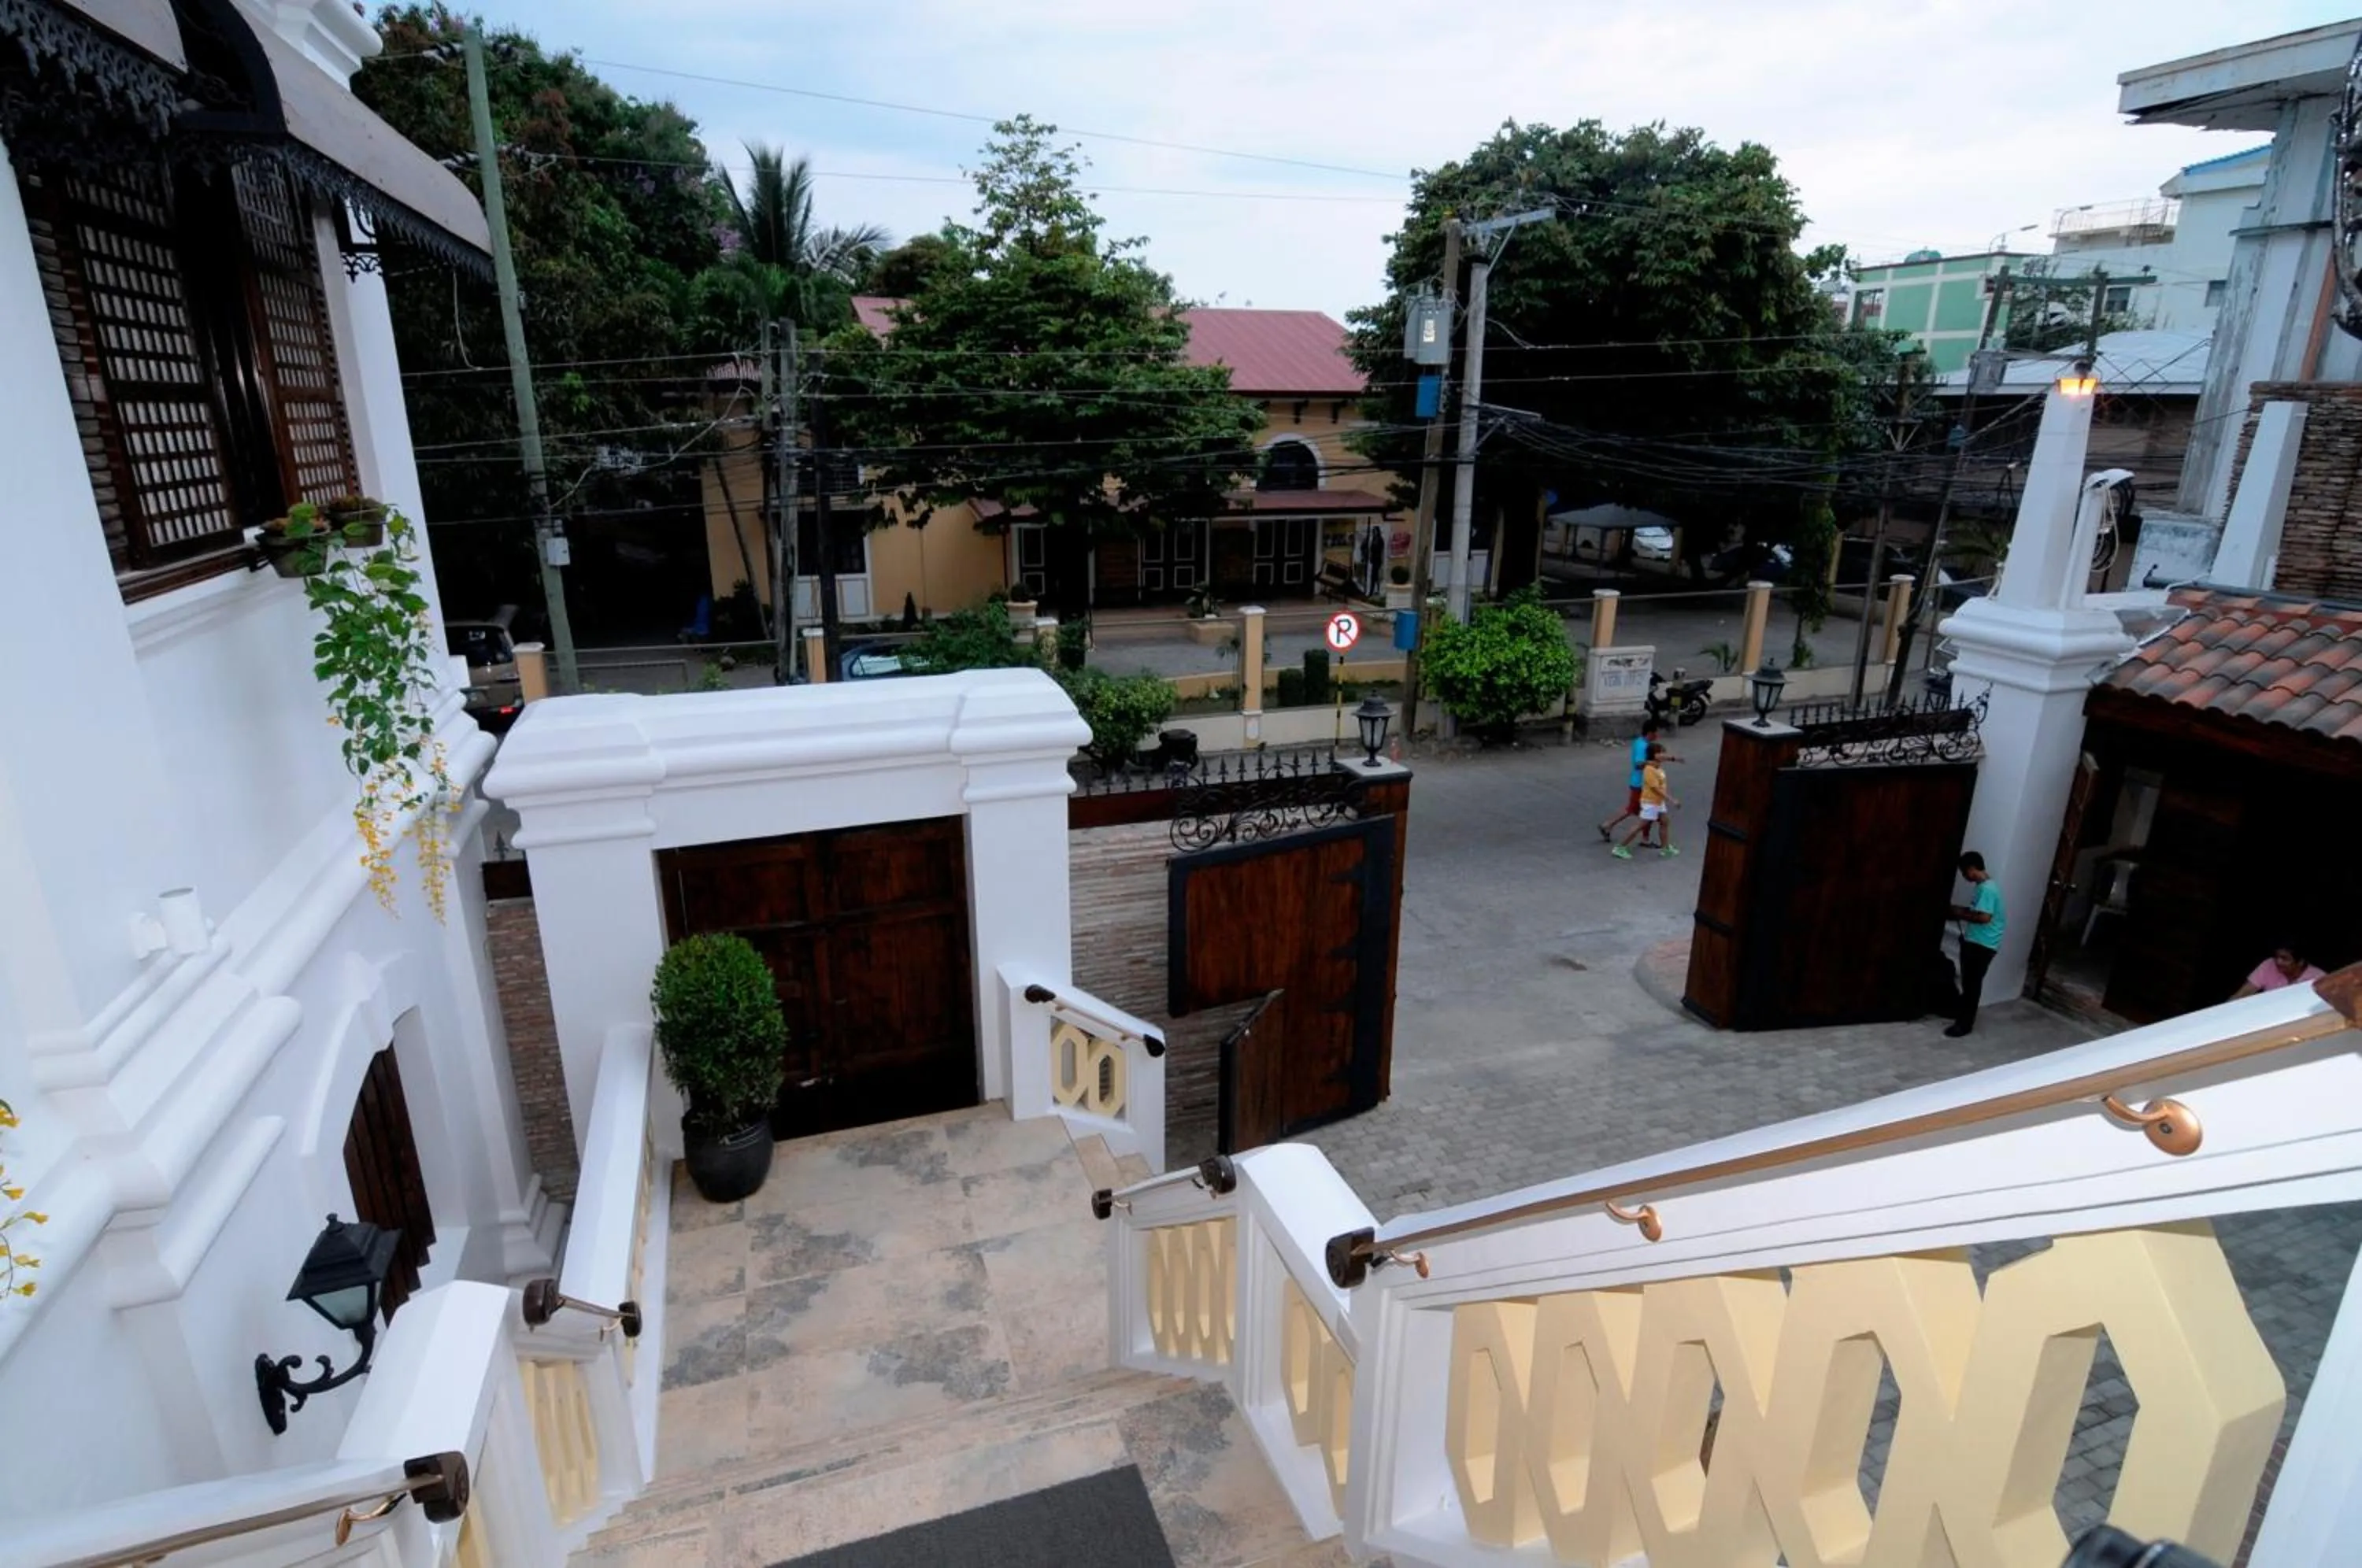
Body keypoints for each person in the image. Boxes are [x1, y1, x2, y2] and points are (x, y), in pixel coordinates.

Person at [1945, 851, 2004, 1037]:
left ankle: (1964, 1024)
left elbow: (1984, 917)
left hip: (1982, 945)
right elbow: (1979, 911)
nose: (1964, 877)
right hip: (1980, 942)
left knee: (1972, 985)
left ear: (1971, 869)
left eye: (1964, 872)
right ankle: (1963, 1016)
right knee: (1970, 983)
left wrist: (1960, 914)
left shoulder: (1986, 889)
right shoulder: (1986, 887)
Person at [1599, 721, 1678, 842]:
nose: (1658, 735)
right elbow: (1638, 764)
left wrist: (1672, 759)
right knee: (1643, 811)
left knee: (1638, 810)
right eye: (1656, 732)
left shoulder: (1640, 742)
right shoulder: (1643, 746)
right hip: (1641, 784)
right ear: (1650, 733)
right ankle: (1612, 828)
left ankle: (1610, 826)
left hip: (1639, 783)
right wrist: (1652, 764)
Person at [1612, 744, 1679, 860]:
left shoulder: (1657, 766)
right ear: (1655, 755)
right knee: (1641, 825)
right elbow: (1655, 789)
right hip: (1651, 802)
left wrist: (1676, 759)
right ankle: (1620, 847)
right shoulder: (1650, 770)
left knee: (1664, 821)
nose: (1664, 755)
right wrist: (1671, 799)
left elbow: (1666, 759)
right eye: (1662, 753)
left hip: (1658, 802)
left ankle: (1665, 848)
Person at [2234, 944, 2326, 999]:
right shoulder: (2269, 964)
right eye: (2276, 957)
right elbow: (2242, 994)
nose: (2278, 962)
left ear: (2300, 962)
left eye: (2284, 959)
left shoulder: (2318, 979)